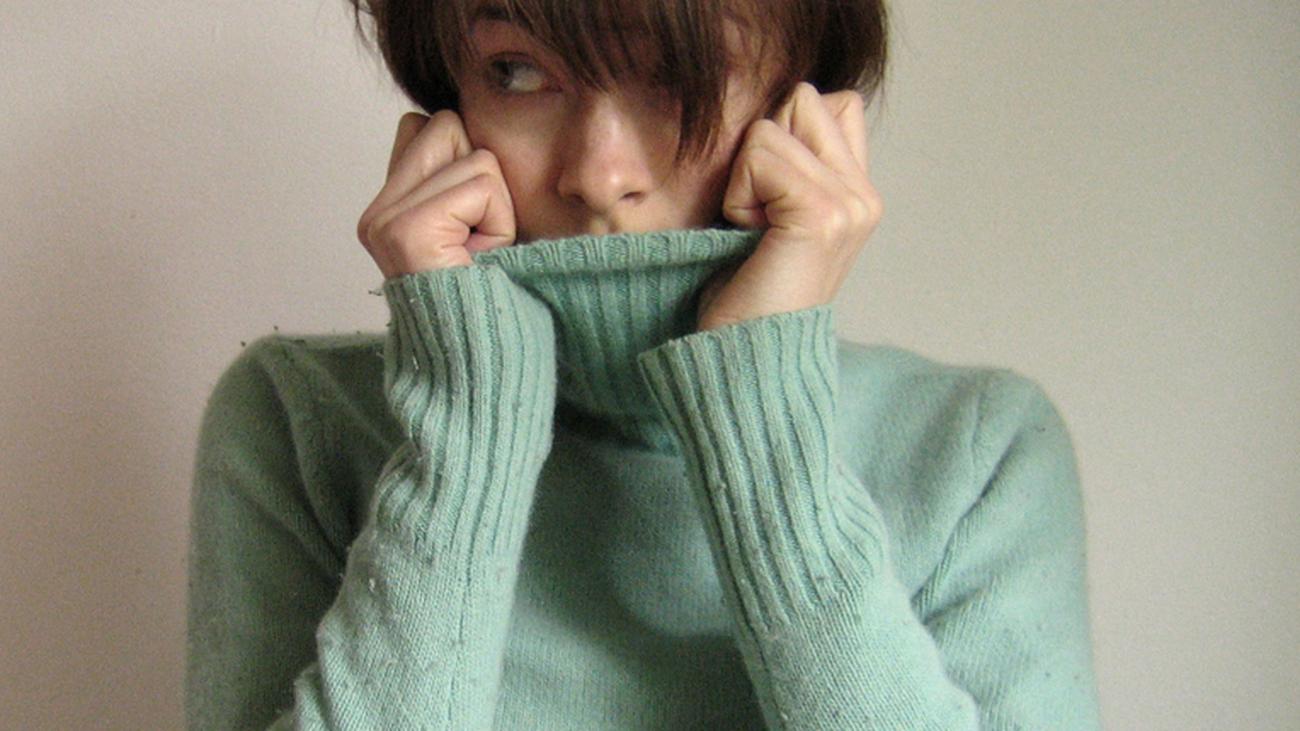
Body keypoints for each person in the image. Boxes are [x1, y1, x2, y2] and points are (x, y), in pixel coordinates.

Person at [184, 0, 1104, 728]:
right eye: (517, 71)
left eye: (680, 75)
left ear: (806, 111)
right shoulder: (300, 421)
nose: (599, 172)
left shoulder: (976, 452)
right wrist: (466, 425)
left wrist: (761, 414)